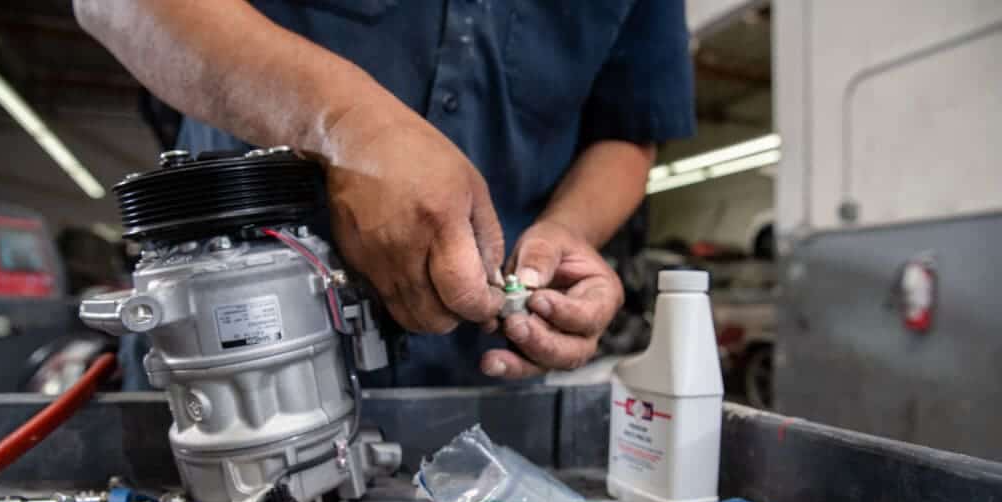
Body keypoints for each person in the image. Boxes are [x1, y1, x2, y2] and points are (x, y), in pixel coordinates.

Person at [75, 0, 694, 387]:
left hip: (480, 390)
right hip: (232, 371)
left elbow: (628, 132)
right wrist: (348, 127)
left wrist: (568, 234)